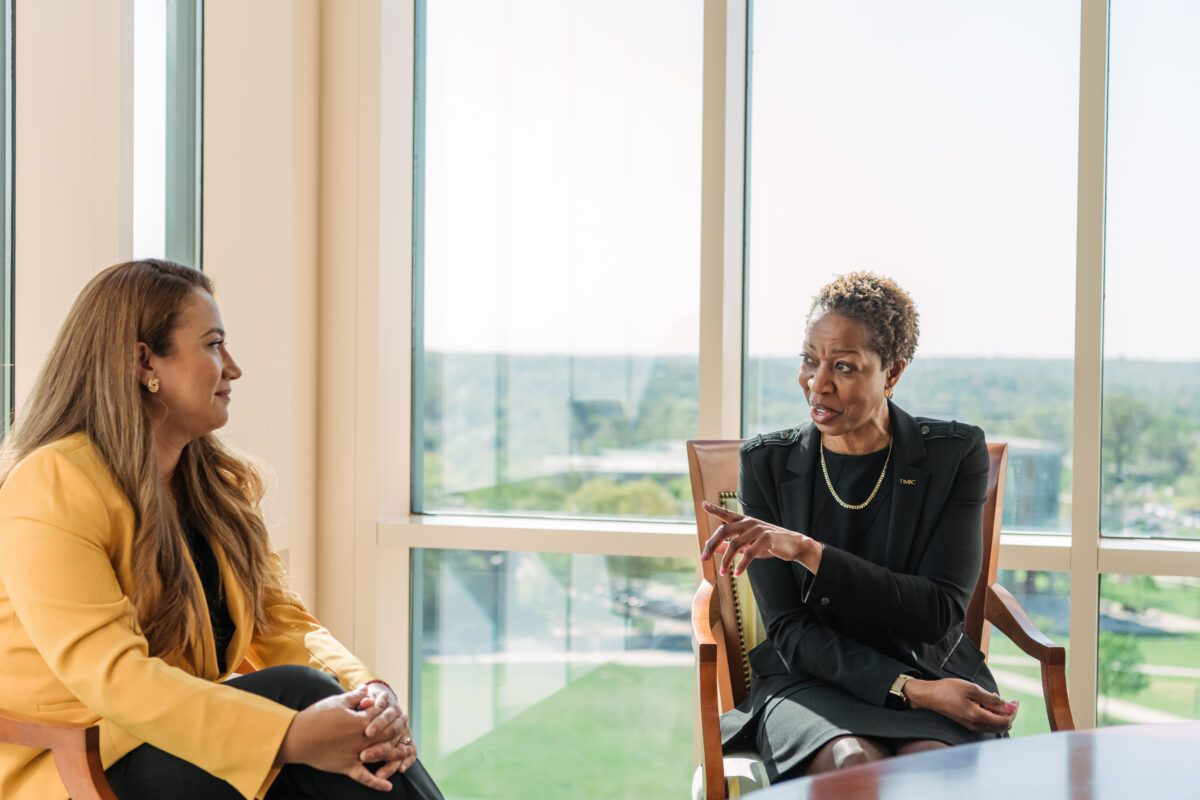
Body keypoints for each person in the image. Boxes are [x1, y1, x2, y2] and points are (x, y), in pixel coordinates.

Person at [0, 260, 443, 800]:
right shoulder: (52, 485)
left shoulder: (216, 487)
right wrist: (290, 735)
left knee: (344, 725)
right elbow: (112, 677)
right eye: (212, 345)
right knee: (300, 699)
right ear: (145, 361)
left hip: (187, 741)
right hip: (82, 762)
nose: (232, 368)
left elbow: (282, 623)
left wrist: (369, 695)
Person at [700, 272, 1017, 781]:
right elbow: (790, 631)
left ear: (892, 372)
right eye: (809, 359)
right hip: (811, 679)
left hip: (931, 666)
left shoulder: (954, 454)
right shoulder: (767, 464)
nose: (817, 382)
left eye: (843, 366)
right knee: (851, 765)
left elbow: (936, 612)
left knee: (927, 769)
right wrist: (909, 692)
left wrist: (808, 551)